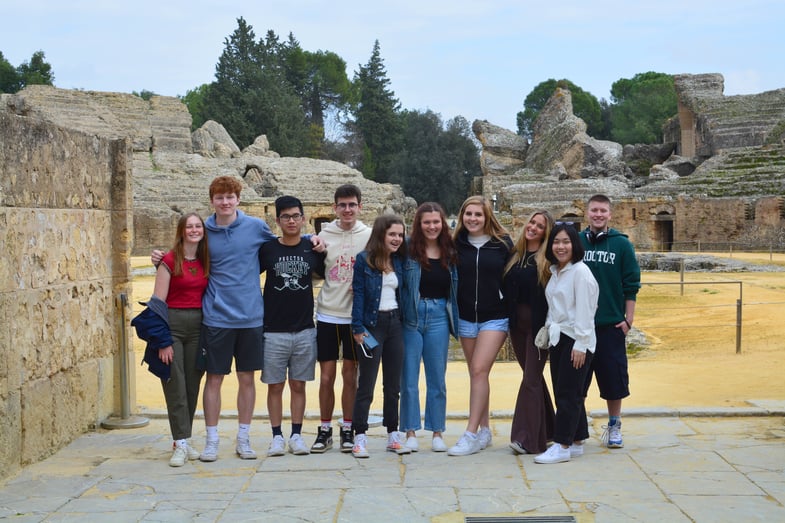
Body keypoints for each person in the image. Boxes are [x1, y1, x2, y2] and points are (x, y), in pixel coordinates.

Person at [152, 176, 323, 462]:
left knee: (247, 380)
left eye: (230, 197)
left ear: (238, 199)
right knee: (214, 379)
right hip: (217, 317)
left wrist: (311, 238)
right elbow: (185, 249)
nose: (225, 202)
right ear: (212, 201)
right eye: (219, 197)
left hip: (251, 317)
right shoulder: (204, 230)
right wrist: (161, 256)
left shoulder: (255, 227)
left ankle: (243, 439)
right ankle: (212, 441)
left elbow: (284, 242)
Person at [259, 196, 325, 457]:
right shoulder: (267, 250)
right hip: (273, 329)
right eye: (285, 216)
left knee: (299, 384)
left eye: (295, 216)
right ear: (277, 220)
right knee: (274, 385)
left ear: (303, 218)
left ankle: (296, 434)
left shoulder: (312, 248)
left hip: (304, 329)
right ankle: (277, 436)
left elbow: (324, 274)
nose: (291, 221)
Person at [448, 196, 513, 456]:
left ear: (487, 218)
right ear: (462, 216)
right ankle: (485, 430)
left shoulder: (503, 245)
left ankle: (470, 433)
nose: (473, 219)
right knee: (477, 374)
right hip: (465, 317)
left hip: (494, 317)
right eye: (468, 214)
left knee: (478, 370)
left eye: (478, 215)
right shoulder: (455, 245)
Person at [311, 184, 372, 454]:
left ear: (360, 206)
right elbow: (314, 270)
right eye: (342, 205)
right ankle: (325, 428)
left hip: (354, 316)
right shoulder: (323, 235)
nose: (347, 210)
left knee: (351, 375)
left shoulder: (369, 236)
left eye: (352, 205)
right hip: (327, 313)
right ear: (335, 207)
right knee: (326, 376)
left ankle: (347, 426)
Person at [579, 194, 641, 449]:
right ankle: (577, 427)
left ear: (610, 214)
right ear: (587, 213)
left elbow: (631, 283)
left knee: (614, 381)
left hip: (610, 324)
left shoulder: (621, 245)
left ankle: (614, 425)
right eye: (594, 210)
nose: (598, 215)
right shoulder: (577, 242)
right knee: (577, 382)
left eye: (603, 211)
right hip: (580, 326)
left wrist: (628, 319)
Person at [534, 222, 599, 464]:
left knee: (567, 394)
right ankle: (577, 439)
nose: (561, 247)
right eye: (556, 242)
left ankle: (562, 444)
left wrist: (581, 343)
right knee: (568, 391)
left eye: (566, 242)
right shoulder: (557, 270)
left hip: (575, 338)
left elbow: (585, 309)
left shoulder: (580, 273)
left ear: (575, 244)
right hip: (559, 337)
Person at [149, 213, 209, 466]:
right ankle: (180, 442)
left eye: (198, 226)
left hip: (198, 326)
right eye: (189, 227)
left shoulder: (207, 260)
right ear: (182, 231)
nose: (194, 230)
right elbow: (157, 302)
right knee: (175, 384)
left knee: (192, 384)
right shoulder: (169, 260)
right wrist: (162, 340)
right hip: (172, 326)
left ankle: (184, 438)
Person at [399, 202, 459, 453]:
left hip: (439, 316)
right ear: (419, 224)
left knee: (437, 378)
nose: (432, 226)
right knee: (409, 378)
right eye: (427, 222)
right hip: (412, 316)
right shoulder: (407, 249)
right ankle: (411, 431)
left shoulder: (450, 250)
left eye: (436, 222)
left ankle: (436, 431)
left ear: (442, 223)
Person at [349, 214, 410, 458]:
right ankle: (360, 435)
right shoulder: (364, 260)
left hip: (395, 324)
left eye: (400, 234)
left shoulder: (400, 260)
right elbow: (360, 295)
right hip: (372, 326)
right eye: (392, 234)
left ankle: (393, 433)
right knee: (367, 383)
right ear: (381, 235)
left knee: (393, 384)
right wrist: (357, 328)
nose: (397, 239)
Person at [503, 210, 556, 455]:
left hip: (538, 328)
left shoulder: (548, 259)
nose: (533, 227)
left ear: (547, 232)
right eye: (532, 222)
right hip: (517, 325)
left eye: (540, 225)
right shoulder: (516, 254)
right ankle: (551, 430)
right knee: (533, 378)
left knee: (530, 380)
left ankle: (526, 439)